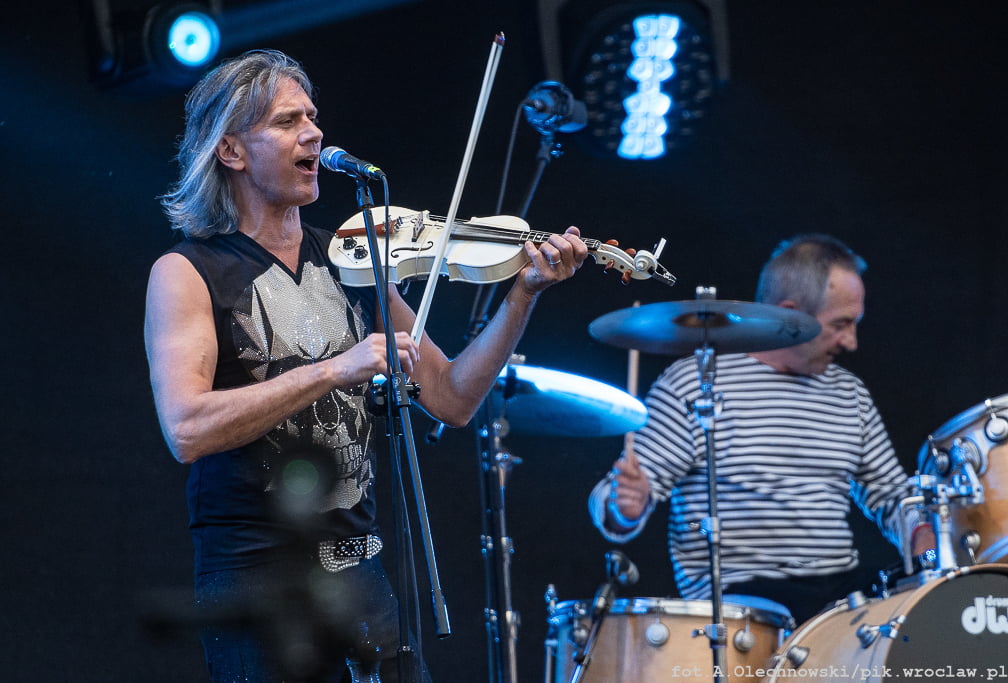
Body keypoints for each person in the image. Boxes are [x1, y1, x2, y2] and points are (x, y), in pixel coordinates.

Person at [144, 49, 588, 683]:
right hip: (257, 580)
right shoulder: (188, 272)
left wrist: (523, 295)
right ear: (231, 151)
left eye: (312, 116)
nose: (313, 132)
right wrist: (334, 369)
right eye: (286, 121)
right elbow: (186, 429)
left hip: (361, 574)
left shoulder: (352, 260)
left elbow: (452, 397)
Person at [588, 233, 933, 625]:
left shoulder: (848, 393)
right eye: (840, 325)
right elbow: (619, 497)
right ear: (790, 316)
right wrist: (624, 508)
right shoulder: (696, 383)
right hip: (744, 602)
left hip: (837, 598)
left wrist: (924, 537)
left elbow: (893, 496)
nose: (851, 342)